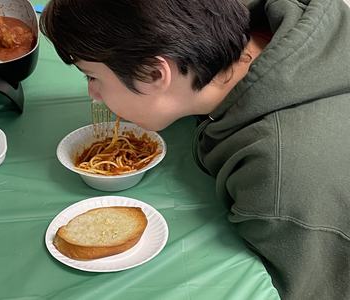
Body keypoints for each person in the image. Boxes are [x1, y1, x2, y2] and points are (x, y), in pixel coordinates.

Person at [40, 0, 350, 299]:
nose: (93, 95)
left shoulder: (280, 180)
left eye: (92, 77)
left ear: (154, 74)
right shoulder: (229, 24)